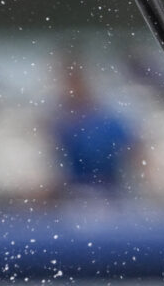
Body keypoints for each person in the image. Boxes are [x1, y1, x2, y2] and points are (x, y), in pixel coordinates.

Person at [46, 50, 141, 206]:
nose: (71, 89)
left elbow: (136, 154)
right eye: (67, 83)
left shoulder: (110, 121)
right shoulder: (55, 122)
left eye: (75, 82)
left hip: (112, 193)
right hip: (68, 196)